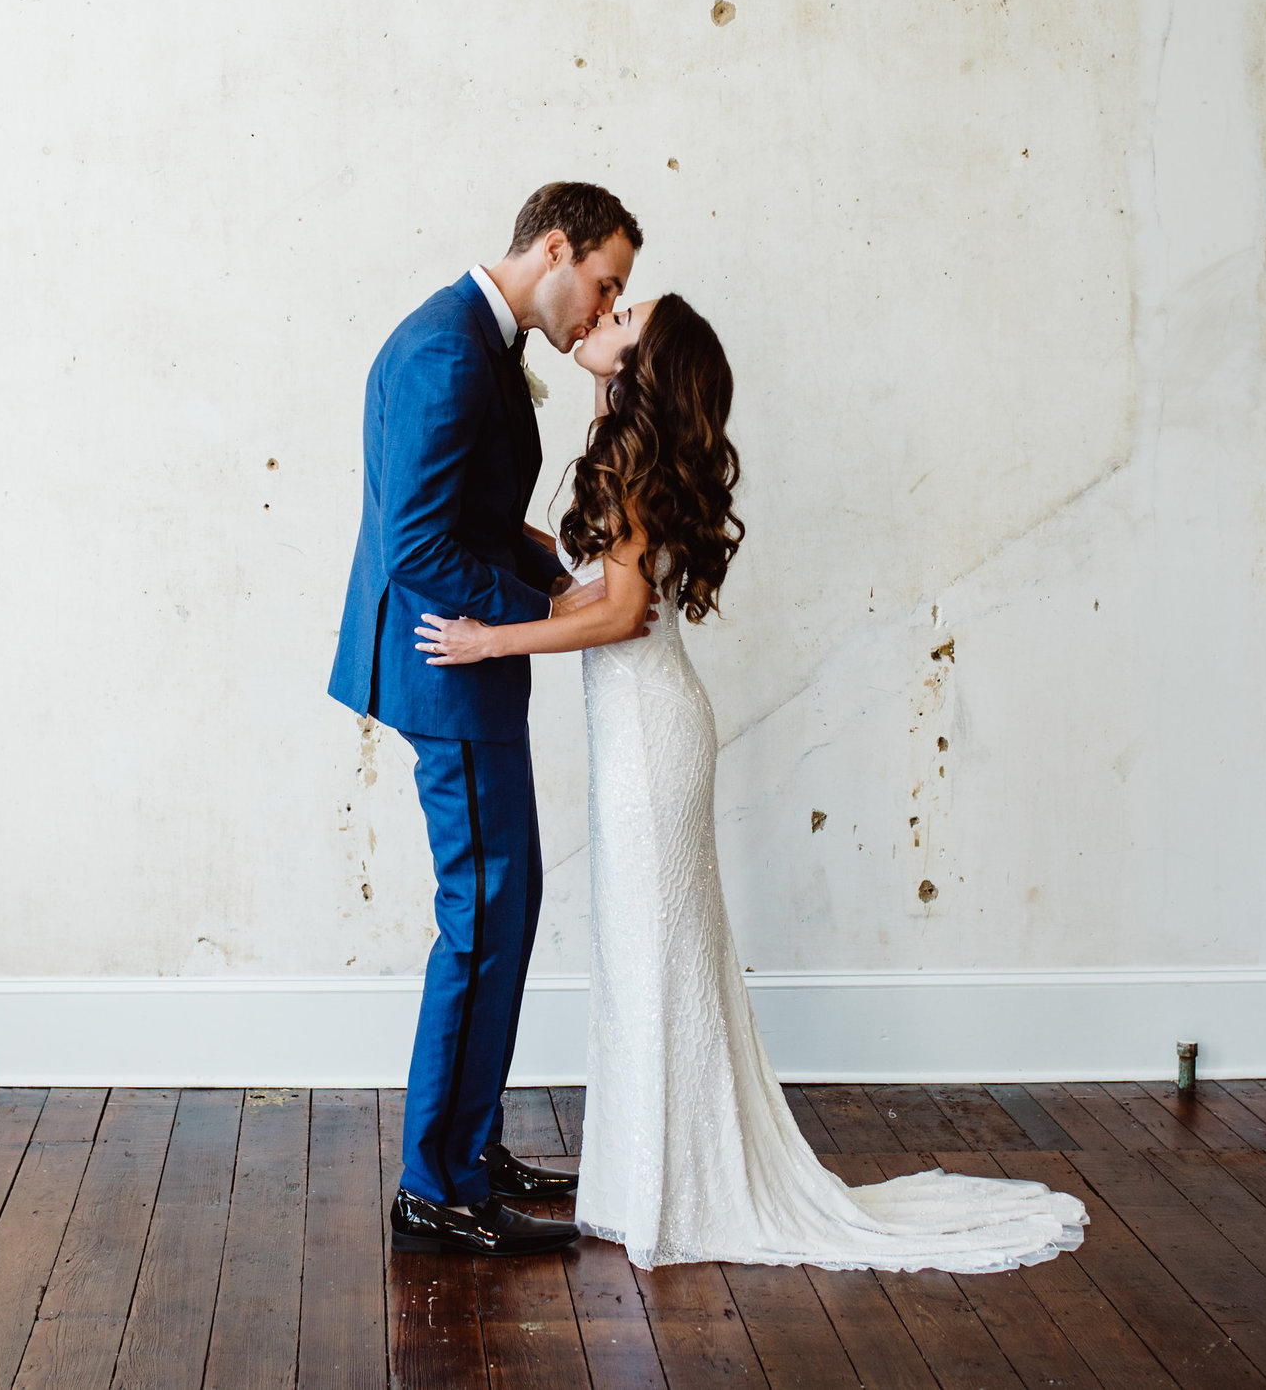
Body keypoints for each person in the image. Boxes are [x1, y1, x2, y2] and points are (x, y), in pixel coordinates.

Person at [415, 294, 1090, 1272]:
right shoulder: (619, 445)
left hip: (651, 735)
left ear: (638, 364)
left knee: (656, 958)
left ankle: (675, 1189)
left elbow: (620, 616)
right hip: (636, 733)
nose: (602, 310)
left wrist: (491, 636)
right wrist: (492, 532)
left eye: (624, 312)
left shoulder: (635, 463)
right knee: (641, 960)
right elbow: (587, 576)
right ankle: (647, 1178)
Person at [328, 182, 648, 1257]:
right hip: (446, 671)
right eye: (602, 281)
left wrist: (555, 565)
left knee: (505, 906)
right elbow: (418, 546)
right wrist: (552, 609)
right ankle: (436, 1184)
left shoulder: (470, 336)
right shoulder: (450, 351)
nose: (601, 307)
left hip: (463, 660)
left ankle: (472, 1144)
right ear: (553, 247)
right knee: (484, 914)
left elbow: (470, 516)